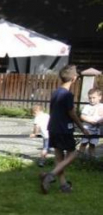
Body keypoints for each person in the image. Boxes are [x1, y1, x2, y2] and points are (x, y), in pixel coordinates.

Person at [40, 65, 85, 194]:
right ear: (74, 78)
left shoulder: (55, 93)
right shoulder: (67, 95)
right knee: (73, 154)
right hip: (64, 129)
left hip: (53, 128)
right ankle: (50, 175)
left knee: (59, 158)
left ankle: (64, 185)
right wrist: (82, 128)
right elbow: (72, 113)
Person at [79, 88, 103, 158]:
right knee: (83, 143)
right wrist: (91, 121)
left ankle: (92, 159)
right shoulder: (87, 106)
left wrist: (100, 121)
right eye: (90, 98)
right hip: (87, 129)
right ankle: (80, 158)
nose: (91, 100)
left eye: (94, 98)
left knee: (93, 145)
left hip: (96, 130)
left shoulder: (102, 106)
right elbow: (82, 116)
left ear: (100, 97)